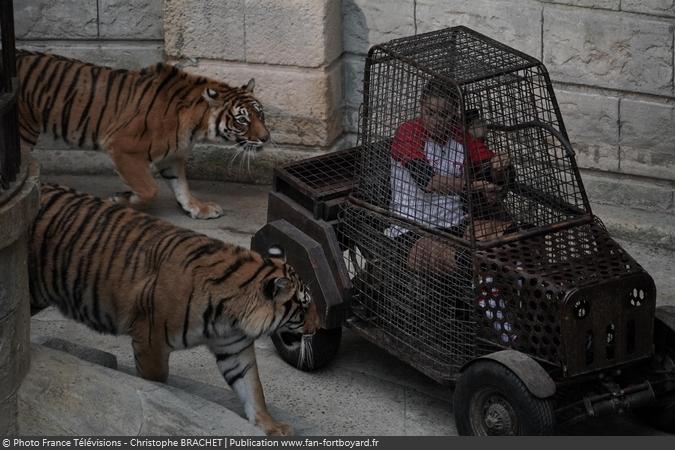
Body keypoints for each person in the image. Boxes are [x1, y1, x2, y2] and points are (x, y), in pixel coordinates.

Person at [388, 78, 512, 273]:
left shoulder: (460, 136)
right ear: (421, 106)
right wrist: (477, 186)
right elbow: (429, 183)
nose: (435, 121)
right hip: (413, 229)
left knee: (514, 237)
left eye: (443, 115)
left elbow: (488, 168)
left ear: (455, 113)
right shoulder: (409, 133)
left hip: (457, 222)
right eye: (429, 113)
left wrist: (499, 167)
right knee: (460, 258)